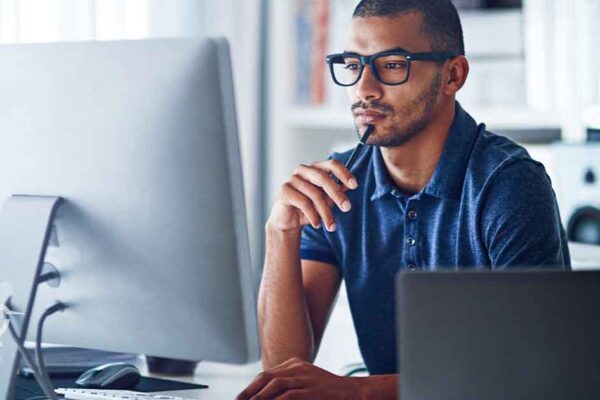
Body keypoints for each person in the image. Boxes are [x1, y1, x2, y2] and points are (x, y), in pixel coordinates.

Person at [238, 0, 570, 399]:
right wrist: (280, 231)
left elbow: (531, 371)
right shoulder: (336, 184)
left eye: (392, 64)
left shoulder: (510, 185)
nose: (364, 89)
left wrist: (356, 392)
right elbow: (283, 373)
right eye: (353, 65)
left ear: (453, 75)